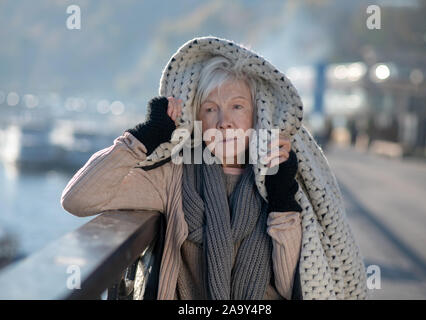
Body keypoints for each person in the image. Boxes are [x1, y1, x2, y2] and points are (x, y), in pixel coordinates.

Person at [61, 36, 367, 300]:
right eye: (210, 109)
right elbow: (79, 199)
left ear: (256, 116)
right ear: (197, 120)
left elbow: (292, 288)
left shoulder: (279, 179)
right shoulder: (174, 175)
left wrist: (282, 198)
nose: (224, 122)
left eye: (237, 106)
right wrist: (145, 135)